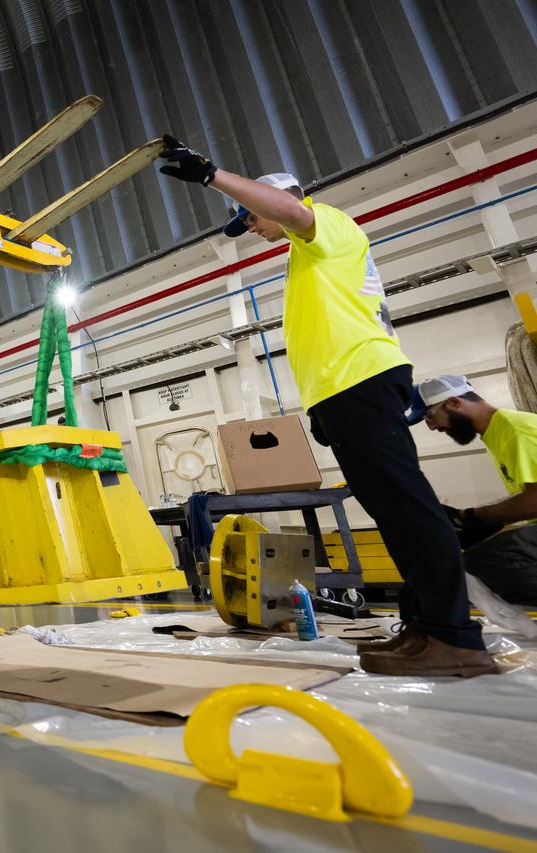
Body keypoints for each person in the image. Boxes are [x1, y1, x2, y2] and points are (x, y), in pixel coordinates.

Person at [159, 136, 496, 677]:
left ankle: (456, 637)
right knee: (392, 510)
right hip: (345, 393)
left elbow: (290, 212)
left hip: (360, 383)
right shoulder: (307, 255)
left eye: (249, 217)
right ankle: (428, 627)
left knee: (407, 507)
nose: (251, 229)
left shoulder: (326, 224)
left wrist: (209, 175)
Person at [409, 374, 537, 605]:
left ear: (454, 403)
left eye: (430, 416)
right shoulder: (498, 431)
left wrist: (473, 515)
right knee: (477, 555)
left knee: (490, 557)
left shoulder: (515, 430)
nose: (433, 427)